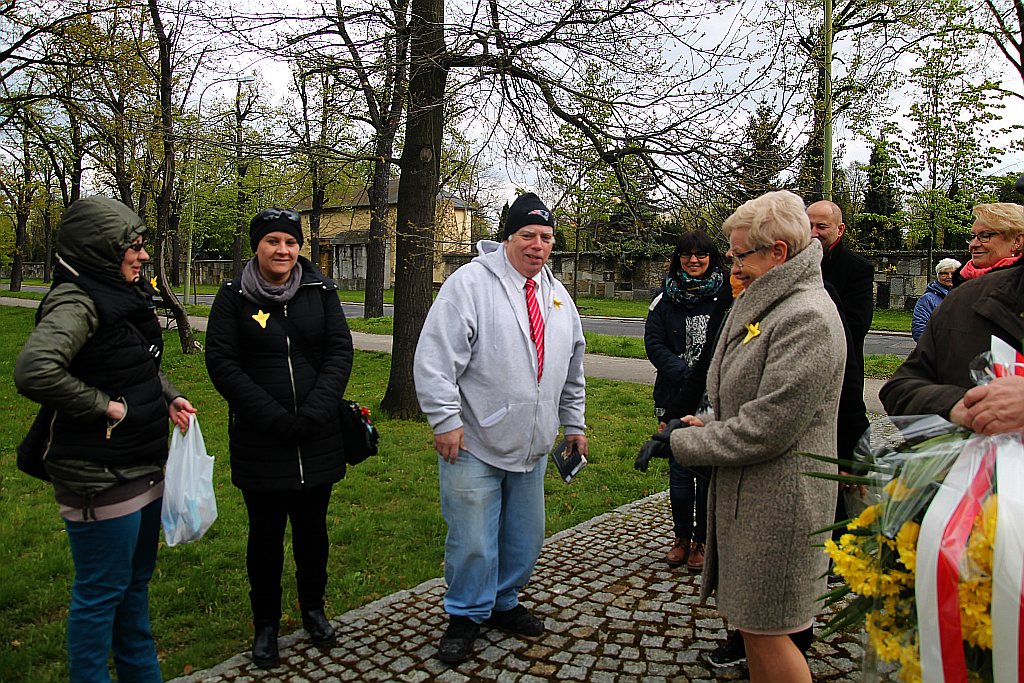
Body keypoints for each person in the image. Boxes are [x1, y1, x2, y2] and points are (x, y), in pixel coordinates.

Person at [643, 190, 845, 683]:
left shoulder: (806, 317)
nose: (731, 262)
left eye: (739, 254)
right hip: (752, 499)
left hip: (781, 505)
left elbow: (768, 428)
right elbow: (747, 403)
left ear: (778, 252)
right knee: (755, 628)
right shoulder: (768, 303)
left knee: (770, 630)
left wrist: (684, 442)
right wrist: (705, 423)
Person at [14, 195, 196, 683]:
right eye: (131, 248)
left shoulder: (119, 292)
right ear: (99, 251)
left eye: (141, 247)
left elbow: (129, 363)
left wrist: (169, 396)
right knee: (101, 597)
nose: (141, 257)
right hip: (100, 474)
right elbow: (35, 370)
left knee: (133, 593)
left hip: (140, 464)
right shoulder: (77, 300)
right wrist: (105, 407)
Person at [414, 192, 588, 664]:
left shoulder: (557, 295)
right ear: (507, 237)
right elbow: (434, 361)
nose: (537, 245)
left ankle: (503, 602)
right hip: (472, 441)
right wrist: (445, 420)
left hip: (531, 444)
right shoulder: (470, 284)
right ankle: (465, 614)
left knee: (524, 537)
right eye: (527, 235)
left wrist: (574, 424)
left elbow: (572, 368)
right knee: (472, 539)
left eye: (546, 237)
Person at [205, 207, 353, 668]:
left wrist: (315, 410)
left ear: (299, 247)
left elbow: (339, 351)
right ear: (257, 246)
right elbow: (223, 363)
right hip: (261, 439)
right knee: (265, 536)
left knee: (313, 532)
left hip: (317, 433)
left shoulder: (320, 290)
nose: (282, 251)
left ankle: (313, 608)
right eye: (273, 241)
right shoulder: (232, 296)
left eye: (290, 242)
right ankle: (265, 623)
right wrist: (271, 417)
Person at [644, 231, 729, 572]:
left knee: (707, 473)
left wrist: (705, 377)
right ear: (677, 259)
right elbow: (654, 342)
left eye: (701, 255)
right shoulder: (664, 298)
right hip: (674, 395)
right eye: (686, 255)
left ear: (711, 258)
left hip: (713, 399)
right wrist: (684, 374)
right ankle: (680, 537)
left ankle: (703, 541)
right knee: (679, 472)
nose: (693, 261)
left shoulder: (727, 295)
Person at [952, 203, 1024, 286]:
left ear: (1017, 241)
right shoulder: (960, 280)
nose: (973, 244)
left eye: (985, 236)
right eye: (972, 236)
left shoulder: (1017, 287)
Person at [911, 258, 961, 341]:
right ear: (938, 275)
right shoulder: (928, 299)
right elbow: (919, 328)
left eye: (953, 273)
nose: (949, 276)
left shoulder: (967, 295)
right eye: (944, 273)